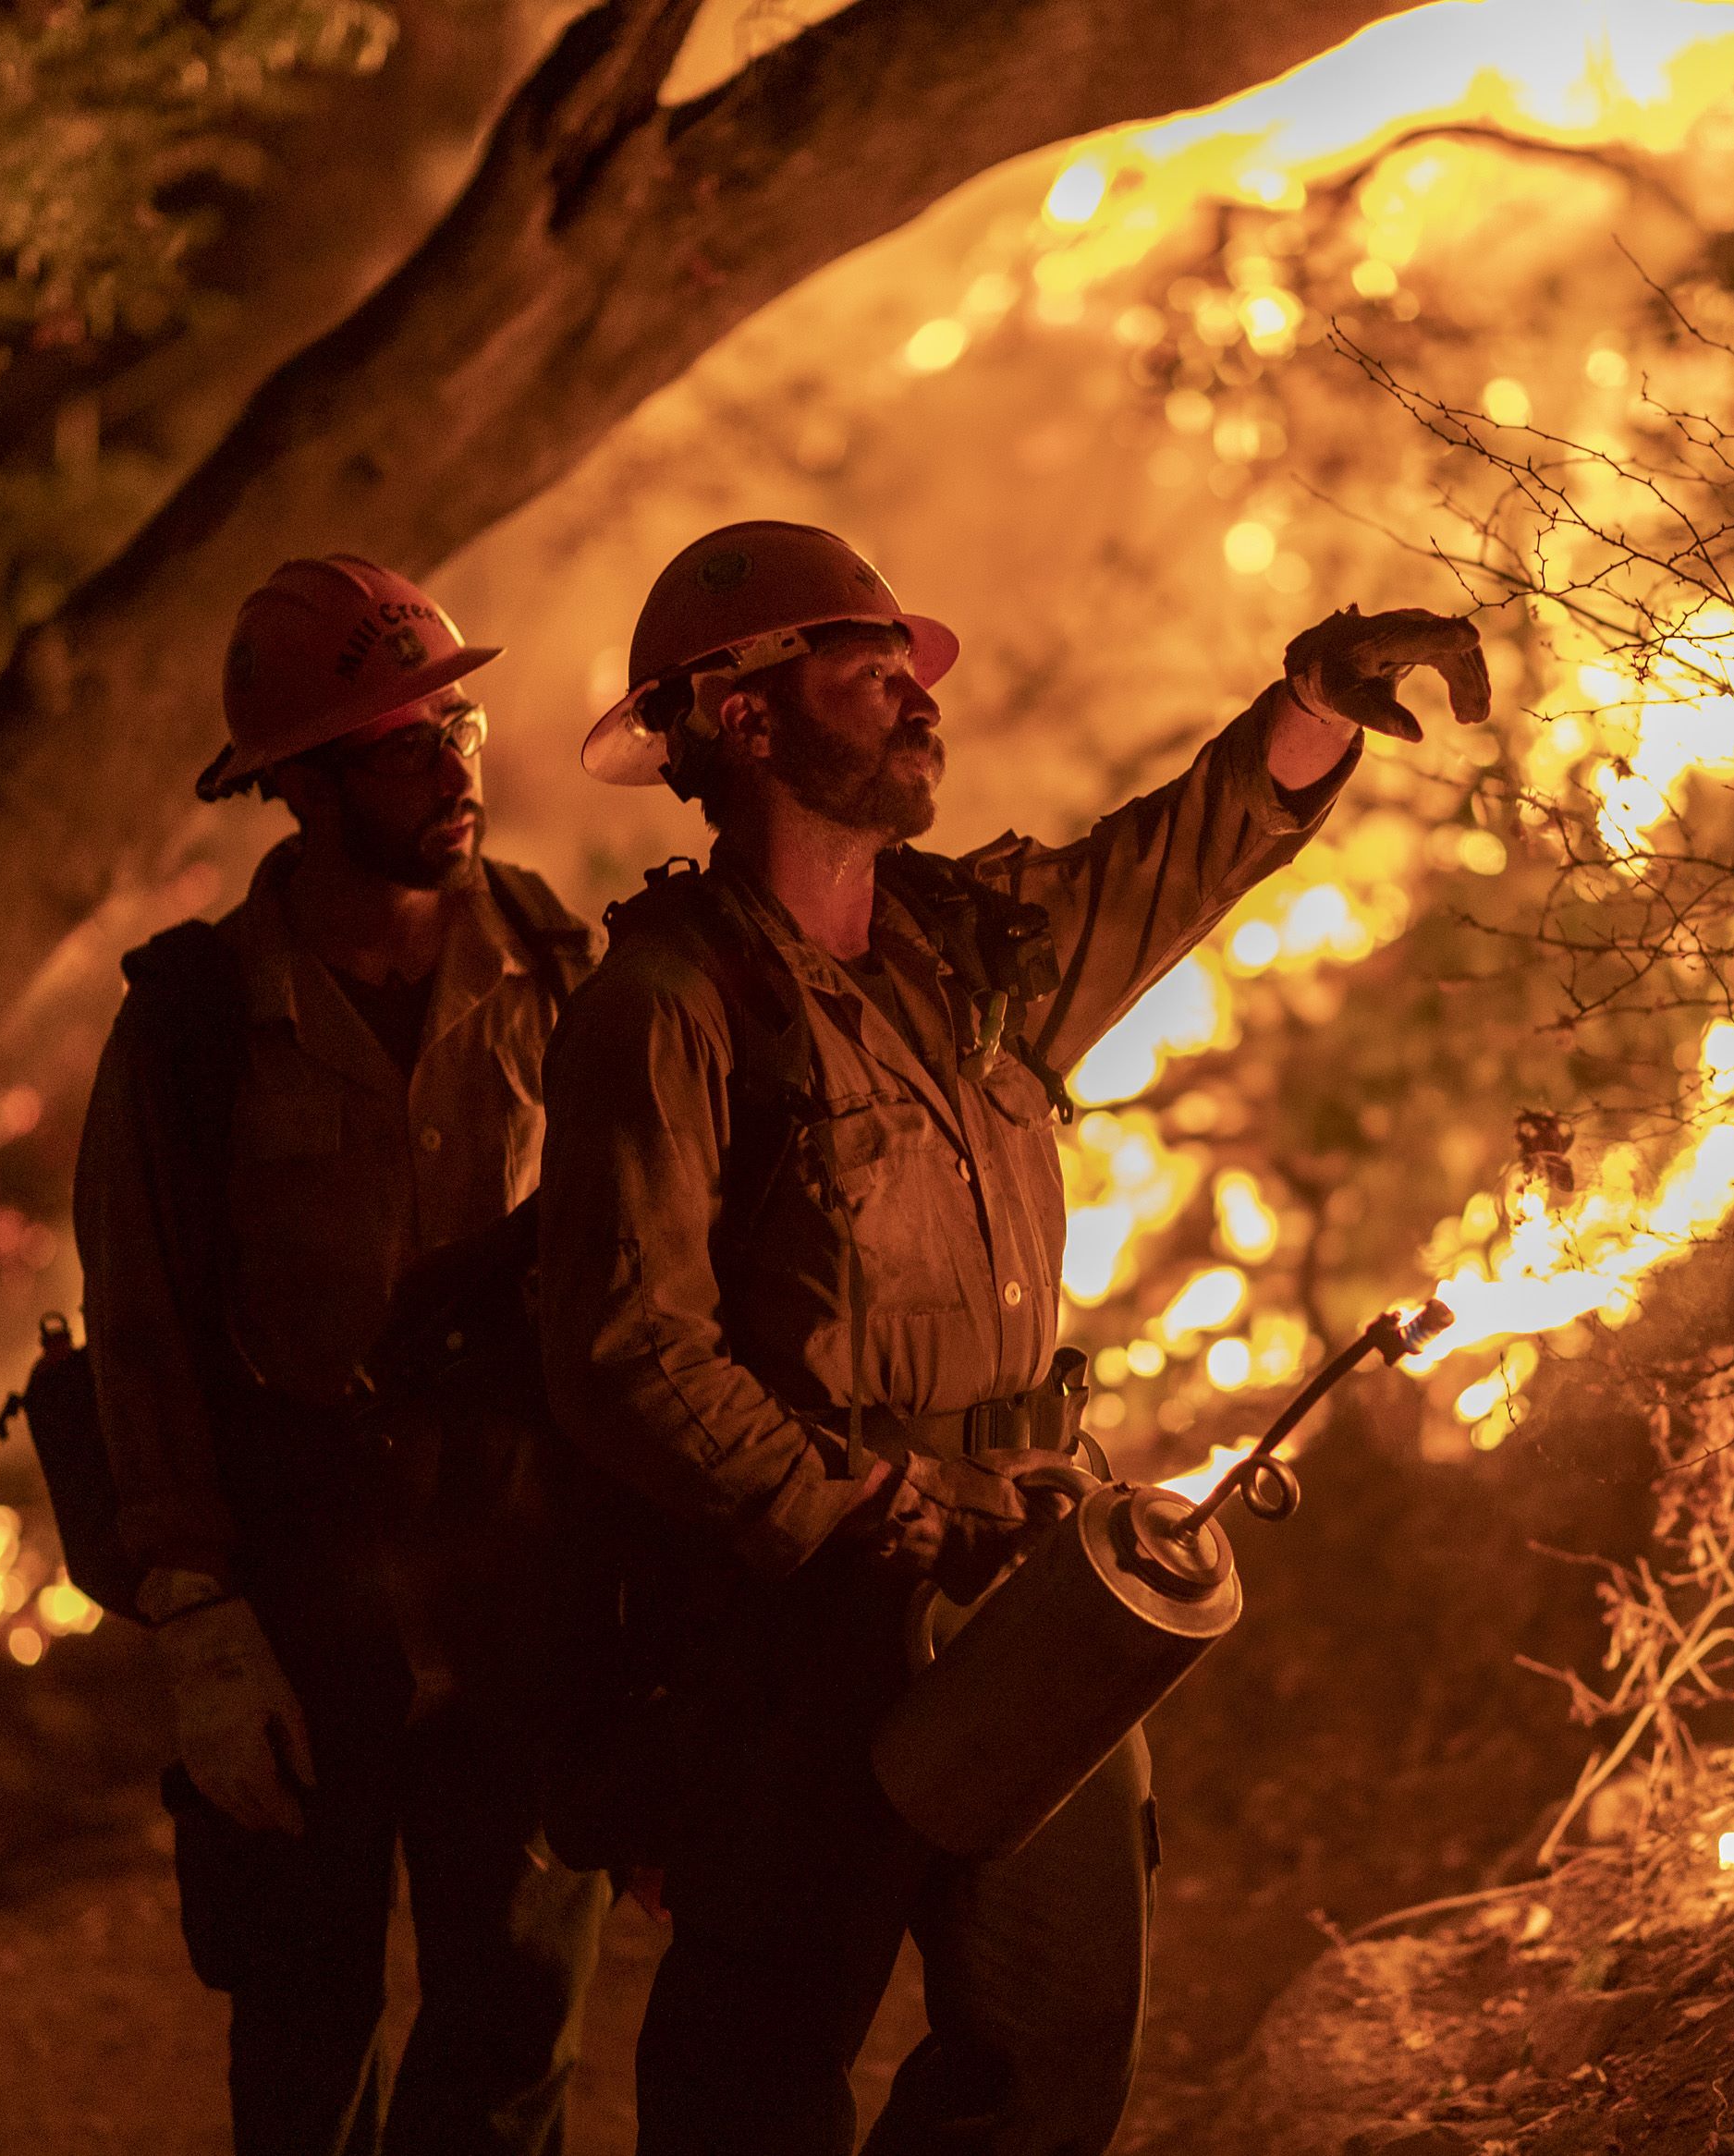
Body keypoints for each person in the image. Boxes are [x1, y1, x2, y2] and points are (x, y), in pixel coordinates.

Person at [533, 519, 1486, 2155]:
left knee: (1048, 2055)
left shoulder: (964, 946)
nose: (917, 701)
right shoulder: (671, 1003)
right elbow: (631, 1343)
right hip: (798, 1621)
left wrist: (1311, 711)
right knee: (754, 2075)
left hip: (1029, 1583)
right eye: (869, 670)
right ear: (745, 718)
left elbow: (1160, 867)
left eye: (912, 672)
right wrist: (834, 1502)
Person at [74, 554, 611, 2156]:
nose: (452, 765)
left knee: (511, 2024)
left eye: (454, 720)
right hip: (301, 1570)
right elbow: (145, 1333)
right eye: (399, 742)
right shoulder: (191, 1023)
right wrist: (198, 1619)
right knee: (305, 2022)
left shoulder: (564, 971)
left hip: (515, 1561)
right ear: (297, 782)